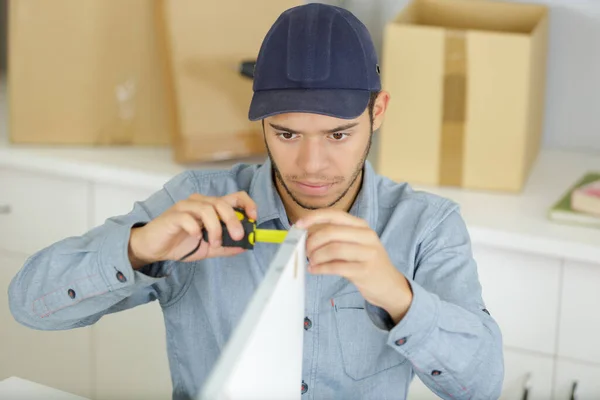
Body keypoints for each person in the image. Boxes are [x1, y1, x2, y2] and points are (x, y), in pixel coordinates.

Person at [8, 3, 504, 400]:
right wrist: (138, 249)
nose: (311, 165)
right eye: (287, 133)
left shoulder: (427, 226)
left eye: (337, 135)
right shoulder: (196, 203)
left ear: (378, 112)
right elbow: (28, 306)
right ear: (259, 120)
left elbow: (482, 386)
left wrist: (398, 294)